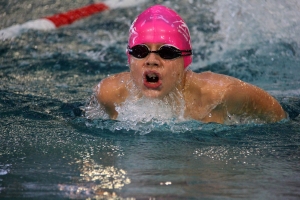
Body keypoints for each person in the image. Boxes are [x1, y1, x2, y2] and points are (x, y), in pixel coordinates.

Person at [94, 4, 286, 124]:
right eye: (140, 51)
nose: (151, 61)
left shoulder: (220, 95)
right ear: (129, 58)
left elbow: (278, 117)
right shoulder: (109, 94)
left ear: (185, 60)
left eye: (167, 52)